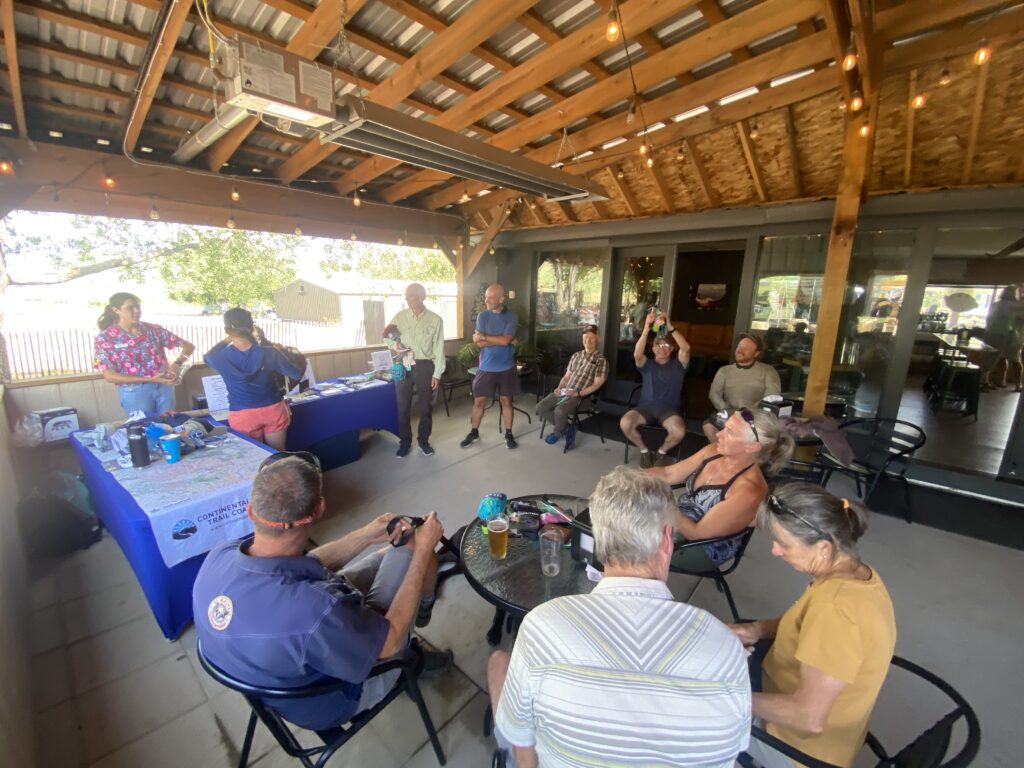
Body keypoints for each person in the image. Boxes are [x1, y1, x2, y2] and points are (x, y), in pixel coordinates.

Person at [488, 466, 751, 768]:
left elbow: (524, 746)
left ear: (597, 541)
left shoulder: (540, 626)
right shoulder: (725, 648)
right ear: (667, 540)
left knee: (499, 662)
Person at [192, 452, 453, 733]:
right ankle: (417, 636)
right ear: (318, 510)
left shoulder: (220, 556)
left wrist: (365, 534)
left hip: (277, 673)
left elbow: (299, 567)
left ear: (251, 511)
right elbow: (389, 642)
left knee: (393, 550)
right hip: (334, 699)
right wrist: (425, 549)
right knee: (414, 548)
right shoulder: (316, 610)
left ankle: (420, 600)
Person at [732, 482, 896, 768]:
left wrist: (725, 699)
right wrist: (759, 628)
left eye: (783, 543)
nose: (775, 551)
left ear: (822, 547)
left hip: (799, 750)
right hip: (812, 714)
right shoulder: (854, 573)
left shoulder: (835, 609)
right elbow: (806, 619)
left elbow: (808, 717)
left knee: (684, 716)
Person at [647, 408, 794, 572]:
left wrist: (663, 505)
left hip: (701, 548)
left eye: (729, 432)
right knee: (622, 516)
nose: (719, 434)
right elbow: (669, 474)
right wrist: (627, 477)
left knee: (625, 538)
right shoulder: (714, 452)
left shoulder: (749, 491)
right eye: (724, 427)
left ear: (752, 446)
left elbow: (696, 533)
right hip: (678, 521)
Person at [203, 308, 305, 450]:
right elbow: (296, 373)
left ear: (227, 331)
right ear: (252, 327)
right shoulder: (269, 352)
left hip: (242, 414)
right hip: (273, 408)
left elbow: (208, 355)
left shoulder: (218, 357)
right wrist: (280, 352)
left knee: (254, 457)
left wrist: (229, 337)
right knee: (277, 454)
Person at [93, 291, 195, 417]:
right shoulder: (106, 338)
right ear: (116, 310)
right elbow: (109, 376)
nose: (137, 311)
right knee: (144, 429)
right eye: (130, 307)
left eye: (138, 307)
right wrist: (148, 379)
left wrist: (177, 364)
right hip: (134, 392)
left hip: (163, 388)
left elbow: (188, 347)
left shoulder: (153, 330)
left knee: (169, 427)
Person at [619, 307, 690, 468]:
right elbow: (637, 354)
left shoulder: (679, 365)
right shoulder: (647, 365)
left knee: (679, 432)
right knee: (625, 423)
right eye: (658, 345)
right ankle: (644, 451)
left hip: (669, 410)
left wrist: (670, 326)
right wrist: (646, 328)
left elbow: (686, 348)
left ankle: (661, 452)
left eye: (666, 345)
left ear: (672, 349)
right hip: (645, 408)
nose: (662, 348)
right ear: (653, 349)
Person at [384, 283, 446, 457]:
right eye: (406, 295)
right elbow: (387, 335)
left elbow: (439, 347)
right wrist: (394, 344)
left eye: (410, 295)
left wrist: (437, 373)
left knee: (425, 406)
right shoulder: (399, 317)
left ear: (421, 297)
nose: (407, 299)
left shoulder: (435, 320)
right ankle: (405, 442)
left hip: (425, 366)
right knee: (403, 406)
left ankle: (423, 441)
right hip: (403, 363)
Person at [461, 283, 519, 450]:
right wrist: (498, 340)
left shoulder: (511, 317)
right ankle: (474, 432)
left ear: (501, 299)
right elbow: (479, 344)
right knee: (478, 401)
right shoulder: (482, 316)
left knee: (506, 401)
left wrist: (486, 337)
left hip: (506, 367)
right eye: (485, 296)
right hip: (486, 367)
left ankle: (508, 433)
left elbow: (506, 340)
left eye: (491, 297)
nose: (486, 300)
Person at [536, 323, 608, 449]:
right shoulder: (576, 356)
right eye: (585, 337)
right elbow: (566, 377)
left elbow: (597, 385)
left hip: (582, 398)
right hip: (565, 392)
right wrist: (559, 388)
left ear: (598, 338)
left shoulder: (601, 361)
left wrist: (578, 394)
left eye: (591, 337)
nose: (588, 340)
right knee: (541, 407)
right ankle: (568, 428)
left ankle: (557, 432)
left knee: (559, 411)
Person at [703, 334, 782, 443]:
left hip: (754, 417)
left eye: (746, 348)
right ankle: (722, 456)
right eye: (739, 346)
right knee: (709, 427)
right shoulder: (724, 370)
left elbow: (772, 397)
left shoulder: (768, 371)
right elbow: (714, 394)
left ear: (756, 353)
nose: (740, 350)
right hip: (728, 414)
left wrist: (748, 411)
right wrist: (726, 409)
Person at [984, 285, 1024, 391]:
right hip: (1010, 336)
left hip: (993, 334)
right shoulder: (1015, 305)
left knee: (995, 358)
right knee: (1013, 360)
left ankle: (988, 381)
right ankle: (1016, 384)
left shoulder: (995, 305)